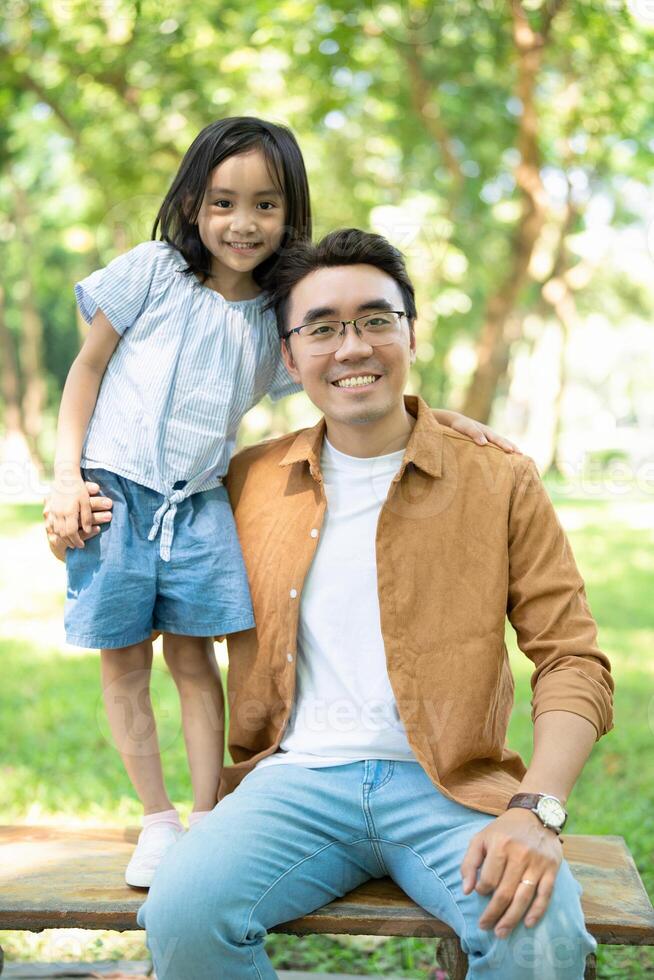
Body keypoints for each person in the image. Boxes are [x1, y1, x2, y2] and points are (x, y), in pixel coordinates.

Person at [48, 228, 613, 978]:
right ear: (287, 357)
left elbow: (572, 658)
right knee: (184, 912)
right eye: (322, 328)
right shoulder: (242, 484)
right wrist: (74, 522)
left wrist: (537, 810)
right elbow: (144, 550)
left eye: (377, 320)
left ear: (412, 333)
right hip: (293, 782)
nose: (352, 347)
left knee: (538, 933)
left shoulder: (497, 478)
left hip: (449, 787)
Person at [46, 117, 516, 890]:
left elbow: (349, 378)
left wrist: (440, 416)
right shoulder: (152, 271)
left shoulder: (275, 315)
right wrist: (67, 479)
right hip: (109, 491)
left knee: (197, 659)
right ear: (193, 201)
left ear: (289, 212)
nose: (243, 223)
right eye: (224, 202)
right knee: (125, 663)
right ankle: (157, 817)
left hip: (198, 501)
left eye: (265, 205)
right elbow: (85, 373)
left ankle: (205, 819)